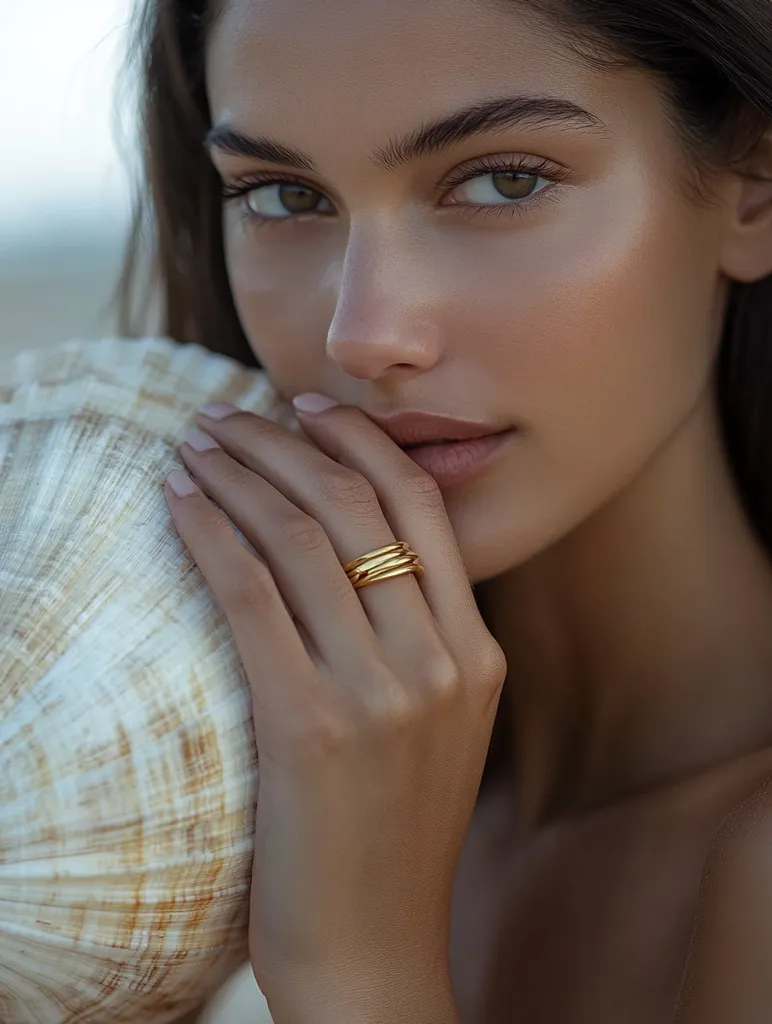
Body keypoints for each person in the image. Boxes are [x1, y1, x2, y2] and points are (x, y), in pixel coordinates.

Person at [113, 0, 772, 1020]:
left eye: (503, 179)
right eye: (283, 195)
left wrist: (355, 974)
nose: (364, 332)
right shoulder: (218, 802)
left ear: (753, 182)